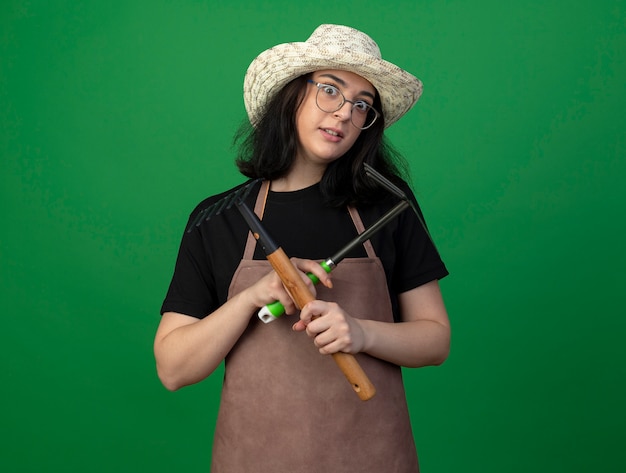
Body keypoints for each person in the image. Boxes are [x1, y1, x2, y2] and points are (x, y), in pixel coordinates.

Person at [155, 24, 450, 473]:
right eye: (330, 90)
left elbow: (435, 339)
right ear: (290, 94)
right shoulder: (221, 218)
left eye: (361, 106)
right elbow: (174, 369)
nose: (345, 114)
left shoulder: (388, 208)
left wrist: (362, 332)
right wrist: (251, 298)